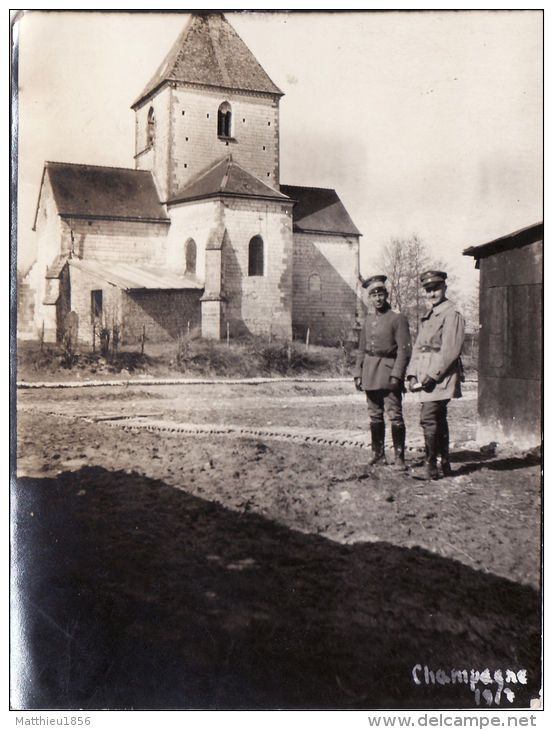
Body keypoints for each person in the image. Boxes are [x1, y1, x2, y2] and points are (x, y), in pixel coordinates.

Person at [406, 270, 465, 480]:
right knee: (437, 418)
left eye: (436, 289)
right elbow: (419, 348)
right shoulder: (430, 315)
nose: (432, 294)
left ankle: (431, 466)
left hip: (441, 376)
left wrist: (432, 375)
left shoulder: (451, 314)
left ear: (445, 289)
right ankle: (445, 462)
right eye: (428, 290)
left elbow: (450, 350)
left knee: (429, 417)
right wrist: (412, 374)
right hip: (426, 375)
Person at [353, 275, 411, 470]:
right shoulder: (368, 321)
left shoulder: (397, 318)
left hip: (388, 373)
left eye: (381, 294)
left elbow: (404, 350)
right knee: (375, 416)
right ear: (369, 298)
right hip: (369, 371)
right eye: (373, 295)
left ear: (386, 295)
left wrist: (397, 374)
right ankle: (378, 454)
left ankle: (399, 458)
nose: (377, 299)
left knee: (394, 415)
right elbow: (361, 349)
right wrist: (358, 373)